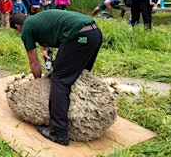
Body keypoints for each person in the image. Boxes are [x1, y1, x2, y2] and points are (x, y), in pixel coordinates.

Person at [9, 10, 103, 146]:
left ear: (17, 27)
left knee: (59, 81)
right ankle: (87, 117)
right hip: (94, 34)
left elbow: (33, 62)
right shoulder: (38, 18)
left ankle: (59, 133)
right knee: (79, 74)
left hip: (77, 36)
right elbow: (50, 29)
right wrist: (44, 49)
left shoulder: (26, 28)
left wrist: (38, 84)